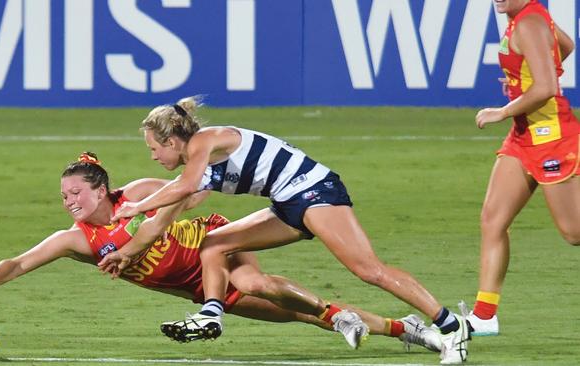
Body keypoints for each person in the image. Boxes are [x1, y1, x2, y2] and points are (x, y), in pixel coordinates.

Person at [0, 152, 441, 353]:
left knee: (255, 281)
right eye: (64, 198)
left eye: (75, 194)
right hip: (196, 290)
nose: (70, 203)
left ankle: (342, 318)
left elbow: (192, 192)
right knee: (302, 315)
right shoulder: (77, 240)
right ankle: (407, 331)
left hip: (213, 244)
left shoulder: (137, 194)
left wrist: (160, 214)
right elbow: (20, 260)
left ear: (100, 190)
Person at [104, 98, 469, 364]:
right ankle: (212, 313)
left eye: (154, 148)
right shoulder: (199, 167)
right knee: (213, 244)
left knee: (368, 270)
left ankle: (452, 327)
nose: (153, 157)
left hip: (315, 191)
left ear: (171, 141)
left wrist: (136, 205)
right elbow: (163, 221)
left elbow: (182, 189)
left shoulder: (202, 143)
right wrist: (124, 253)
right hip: (286, 203)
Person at [472, 0, 580, 336]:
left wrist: (503, 110)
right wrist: (524, 84)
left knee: (574, 232)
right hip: (523, 137)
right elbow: (566, 45)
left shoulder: (529, 23)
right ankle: (484, 316)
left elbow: (547, 88)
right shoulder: (525, 16)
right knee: (493, 219)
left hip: (553, 137)